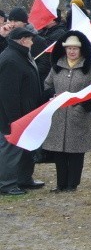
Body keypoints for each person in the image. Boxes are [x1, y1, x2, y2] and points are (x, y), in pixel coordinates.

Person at [42, 31, 91, 192]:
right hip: (59, 114)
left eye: (75, 48)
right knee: (59, 151)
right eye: (69, 48)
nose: (72, 51)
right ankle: (60, 184)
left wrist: (82, 105)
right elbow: (47, 85)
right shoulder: (57, 66)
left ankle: (72, 184)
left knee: (76, 151)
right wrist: (53, 96)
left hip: (78, 114)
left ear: (81, 50)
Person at [0, 27, 45, 195]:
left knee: (26, 146)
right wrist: (14, 120)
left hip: (27, 113)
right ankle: (6, 184)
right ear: (22, 40)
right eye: (30, 39)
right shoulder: (10, 59)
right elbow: (8, 94)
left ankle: (24, 179)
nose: (33, 42)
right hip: (13, 117)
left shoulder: (21, 55)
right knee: (10, 149)